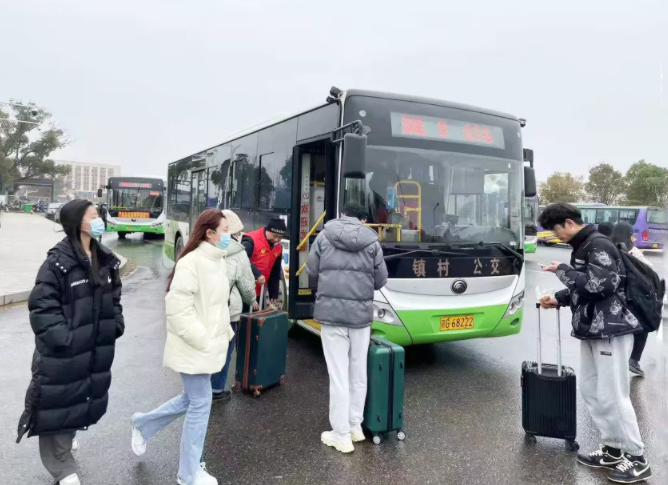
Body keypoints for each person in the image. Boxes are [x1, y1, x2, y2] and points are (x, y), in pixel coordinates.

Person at [538, 203, 651, 483]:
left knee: (613, 394)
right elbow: (586, 287)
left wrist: (562, 270)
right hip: (592, 329)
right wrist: (559, 299)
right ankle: (613, 449)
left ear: (568, 222)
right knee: (592, 389)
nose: (555, 235)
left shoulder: (597, 244)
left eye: (555, 229)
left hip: (611, 330)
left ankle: (637, 459)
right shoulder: (583, 245)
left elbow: (601, 285)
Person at [16, 199, 124, 485]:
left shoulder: (104, 258)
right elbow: (42, 306)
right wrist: (64, 339)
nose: (99, 219)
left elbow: (115, 296)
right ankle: (62, 466)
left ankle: (69, 434)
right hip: (64, 351)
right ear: (79, 223)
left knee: (79, 397)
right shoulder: (57, 262)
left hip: (94, 348)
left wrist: (115, 324)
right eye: (94, 215)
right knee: (56, 403)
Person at [130, 209, 232, 485]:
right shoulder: (191, 263)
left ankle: (143, 423)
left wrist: (223, 332)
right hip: (194, 345)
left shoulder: (217, 260)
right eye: (225, 230)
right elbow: (178, 311)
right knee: (200, 402)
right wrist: (203, 339)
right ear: (210, 233)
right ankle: (188, 474)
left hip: (207, 346)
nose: (230, 235)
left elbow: (216, 307)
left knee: (191, 399)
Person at [306, 202, 388, 454]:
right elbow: (381, 280)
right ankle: (355, 426)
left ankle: (340, 435)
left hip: (332, 317)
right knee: (358, 373)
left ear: (342, 215)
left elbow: (311, 271)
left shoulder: (324, 236)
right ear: (363, 220)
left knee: (338, 376)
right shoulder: (372, 242)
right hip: (361, 318)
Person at [210, 210, 258, 402]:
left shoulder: (203, 247)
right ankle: (216, 389)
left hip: (207, 308)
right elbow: (246, 285)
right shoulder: (238, 253)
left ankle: (200, 387)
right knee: (225, 351)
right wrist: (252, 299)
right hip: (229, 312)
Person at [612, 221, 654, 377]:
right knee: (644, 326)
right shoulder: (633, 253)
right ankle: (634, 360)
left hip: (611, 298)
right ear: (630, 235)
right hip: (629, 299)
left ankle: (616, 360)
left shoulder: (607, 247)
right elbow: (650, 272)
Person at [241, 217, 286, 309]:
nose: (277, 239)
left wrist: (274, 297)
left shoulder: (278, 247)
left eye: (280, 237)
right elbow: (242, 260)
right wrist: (257, 275)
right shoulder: (251, 239)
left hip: (260, 290)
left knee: (257, 315)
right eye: (275, 236)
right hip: (244, 290)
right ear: (267, 230)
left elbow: (275, 273)